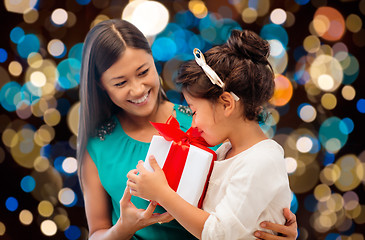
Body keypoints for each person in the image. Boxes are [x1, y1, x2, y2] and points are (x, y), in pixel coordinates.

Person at [77, 18, 298, 240]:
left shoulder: (211, 126)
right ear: (100, 85)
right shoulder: (98, 145)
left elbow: (249, 199)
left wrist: (277, 223)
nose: (137, 89)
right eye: (120, 83)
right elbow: (97, 232)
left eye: (143, 72)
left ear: (153, 61)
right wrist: (124, 227)